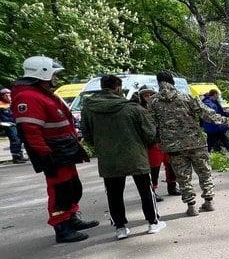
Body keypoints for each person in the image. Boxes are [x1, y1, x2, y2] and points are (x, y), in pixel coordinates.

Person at [11, 55, 98, 243]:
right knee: (60, 191)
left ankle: (71, 218)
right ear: (43, 74)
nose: (55, 79)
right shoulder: (28, 97)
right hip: (53, 152)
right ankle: (62, 227)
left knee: (73, 187)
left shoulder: (42, 93)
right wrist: (44, 155)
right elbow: (31, 131)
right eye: (54, 75)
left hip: (63, 150)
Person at [81, 75, 166, 240]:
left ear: (102, 86)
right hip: (136, 155)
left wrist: (101, 147)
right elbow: (150, 133)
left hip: (108, 158)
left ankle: (120, 227)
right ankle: (153, 222)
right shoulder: (133, 108)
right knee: (145, 189)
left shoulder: (89, 109)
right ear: (118, 88)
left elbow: (87, 134)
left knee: (113, 193)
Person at [149, 70, 229, 216]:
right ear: (172, 81)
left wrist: (157, 141)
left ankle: (191, 206)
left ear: (158, 82)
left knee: (183, 177)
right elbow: (206, 113)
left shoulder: (153, 102)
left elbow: (152, 125)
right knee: (204, 172)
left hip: (173, 146)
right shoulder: (186, 97)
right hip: (196, 142)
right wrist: (226, 121)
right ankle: (209, 202)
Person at [133, 86, 178, 200]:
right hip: (152, 143)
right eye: (145, 95)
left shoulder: (161, 106)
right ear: (141, 97)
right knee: (154, 167)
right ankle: (152, 191)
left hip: (166, 139)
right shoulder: (139, 109)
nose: (148, 97)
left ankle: (172, 186)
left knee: (170, 164)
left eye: (150, 94)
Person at [202, 89, 229, 153]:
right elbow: (213, 114)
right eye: (218, 94)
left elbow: (220, 111)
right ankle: (211, 153)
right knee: (211, 141)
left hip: (216, 126)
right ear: (215, 94)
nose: (218, 96)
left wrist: (226, 114)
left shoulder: (214, 101)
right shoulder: (208, 103)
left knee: (222, 137)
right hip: (211, 126)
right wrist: (226, 121)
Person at [1, 88, 27, 163]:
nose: (8, 96)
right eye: (5, 95)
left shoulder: (12, 103)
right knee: (15, 139)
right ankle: (16, 157)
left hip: (15, 123)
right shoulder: (0, 104)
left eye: (9, 94)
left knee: (20, 139)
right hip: (8, 124)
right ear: (2, 96)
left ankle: (20, 155)